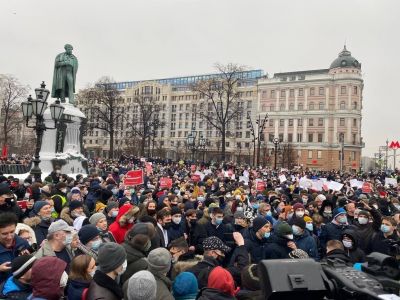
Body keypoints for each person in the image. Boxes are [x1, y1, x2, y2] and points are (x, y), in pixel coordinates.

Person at [0, 213, 29, 283]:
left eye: (12, 232)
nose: (9, 237)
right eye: (4, 234)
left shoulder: (23, 243)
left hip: (22, 286)